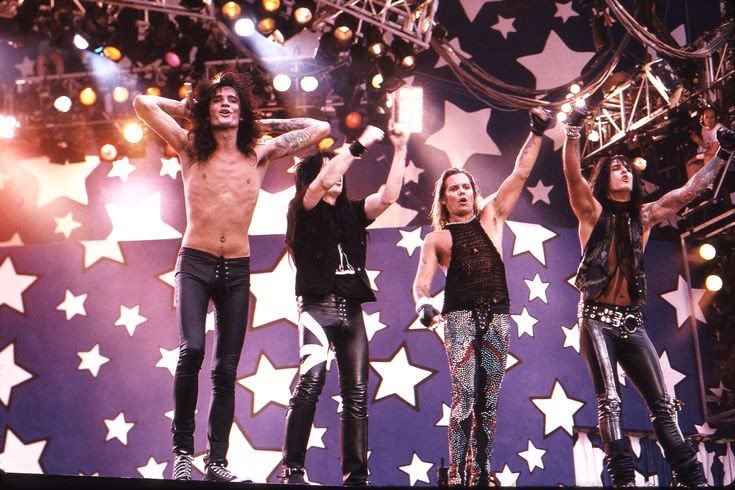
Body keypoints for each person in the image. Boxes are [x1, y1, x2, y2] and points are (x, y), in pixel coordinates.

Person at [133, 72, 330, 482]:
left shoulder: (259, 153)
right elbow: (142, 104)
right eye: (217, 99)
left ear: (243, 112)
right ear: (206, 109)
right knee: (192, 351)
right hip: (195, 263)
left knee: (226, 369)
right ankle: (183, 453)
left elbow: (320, 128)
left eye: (232, 100)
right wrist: (190, 108)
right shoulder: (191, 147)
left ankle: (216, 462)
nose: (225, 104)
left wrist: (262, 123)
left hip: (236, 269)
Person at [561, 105, 735, 486]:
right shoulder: (591, 211)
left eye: (628, 167)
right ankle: (623, 479)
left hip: (631, 322)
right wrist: (572, 131)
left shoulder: (645, 215)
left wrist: (722, 155)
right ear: (604, 179)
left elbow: (691, 190)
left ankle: (693, 478)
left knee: (663, 405)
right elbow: (572, 175)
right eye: (616, 168)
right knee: (610, 400)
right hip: (596, 318)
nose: (624, 171)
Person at [412, 107, 554, 486]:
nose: (461, 192)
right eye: (453, 188)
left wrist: (537, 131)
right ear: (443, 200)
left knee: (488, 403)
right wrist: (424, 305)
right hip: (458, 317)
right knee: (464, 397)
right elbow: (421, 284)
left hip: (498, 316)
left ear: (474, 193)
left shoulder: (491, 218)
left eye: (466, 187)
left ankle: (481, 472)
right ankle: (457, 475)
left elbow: (519, 173)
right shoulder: (437, 238)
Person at [278, 124, 407, 486]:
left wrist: (400, 149)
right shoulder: (302, 207)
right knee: (310, 382)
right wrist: (358, 145)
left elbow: (389, 196)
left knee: (357, 393)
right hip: (316, 307)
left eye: (337, 170)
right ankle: (292, 470)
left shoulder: (352, 212)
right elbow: (319, 184)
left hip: (351, 310)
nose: (335, 175)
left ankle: (356, 477)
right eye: (327, 168)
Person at [685, 106, 724, 180]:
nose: (709, 120)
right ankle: (696, 187)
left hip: (725, 158)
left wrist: (696, 158)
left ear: (716, 118)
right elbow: (708, 146)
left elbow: (713, 152)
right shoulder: (704, 129)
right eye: (706, 117)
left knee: (708, 158)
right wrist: (698, 140)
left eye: (712, 117)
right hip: (714, 158)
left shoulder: (719, 129)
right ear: (702, 118)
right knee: (691, 167)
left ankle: (710, 185)